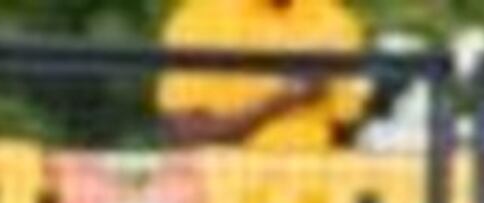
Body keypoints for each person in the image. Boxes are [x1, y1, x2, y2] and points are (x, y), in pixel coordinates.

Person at [154, 0, 368, 152]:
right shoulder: (199, 19)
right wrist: (284, 99)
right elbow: (186, 135)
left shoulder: (334, 20)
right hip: (225, 195)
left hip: (314, 198)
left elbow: (346, 132)